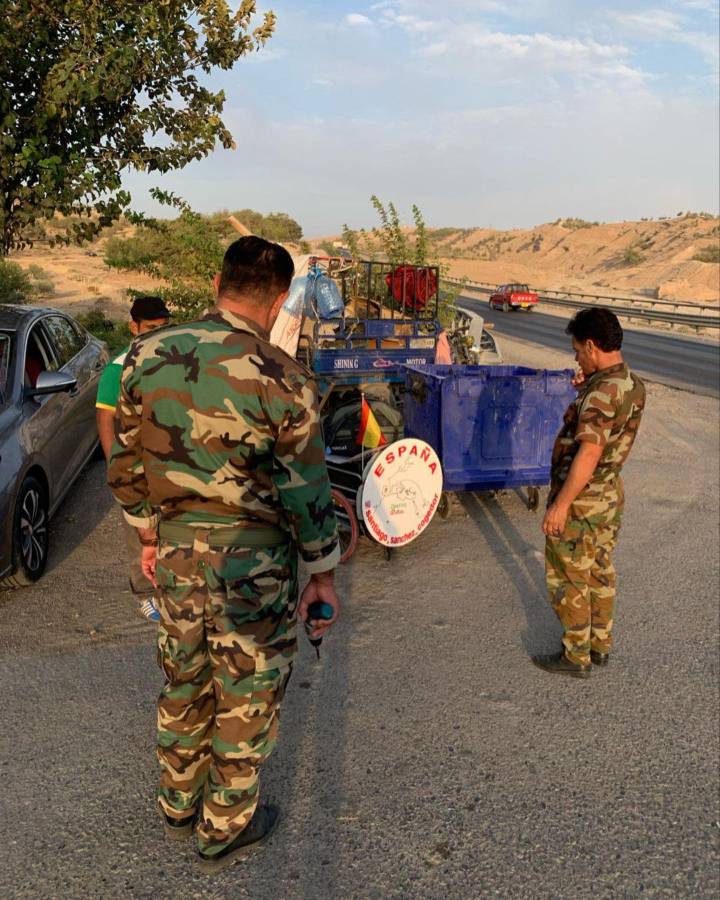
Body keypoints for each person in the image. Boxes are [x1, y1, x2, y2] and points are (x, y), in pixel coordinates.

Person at [107, 236, 340, 873]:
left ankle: (178, 802)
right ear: (282, 296)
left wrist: (148, 534)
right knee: (246, 689)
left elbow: (124, 459)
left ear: (219, 281)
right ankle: (224, 825)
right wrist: (321, 573)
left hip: (178, 550)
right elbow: (306, 490)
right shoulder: (285, 377)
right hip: (254, 563)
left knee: (184, 675)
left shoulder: (144, 356)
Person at [533, 308, 645, 679]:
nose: (576, 357)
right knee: (599, 570)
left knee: (570, 577)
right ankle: (599, 646)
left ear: (593, 346)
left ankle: (575, 656)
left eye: (578, 350)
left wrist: (561, 505)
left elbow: (591, 450)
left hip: (583, 497)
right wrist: (586, 390)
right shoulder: (630, 383)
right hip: (609, 493)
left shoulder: (601, 393)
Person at [96, 295, 171, 623]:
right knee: (137, 533)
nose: (157, 334)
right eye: (151, 328)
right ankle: (144, 593)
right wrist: (117, 471)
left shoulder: (172, 360)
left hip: (168, 468)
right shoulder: (118, 368)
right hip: (135, 470)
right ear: (133, 327)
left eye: (163, 328)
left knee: (166, 532)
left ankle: (169, 586)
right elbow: (106, 422)